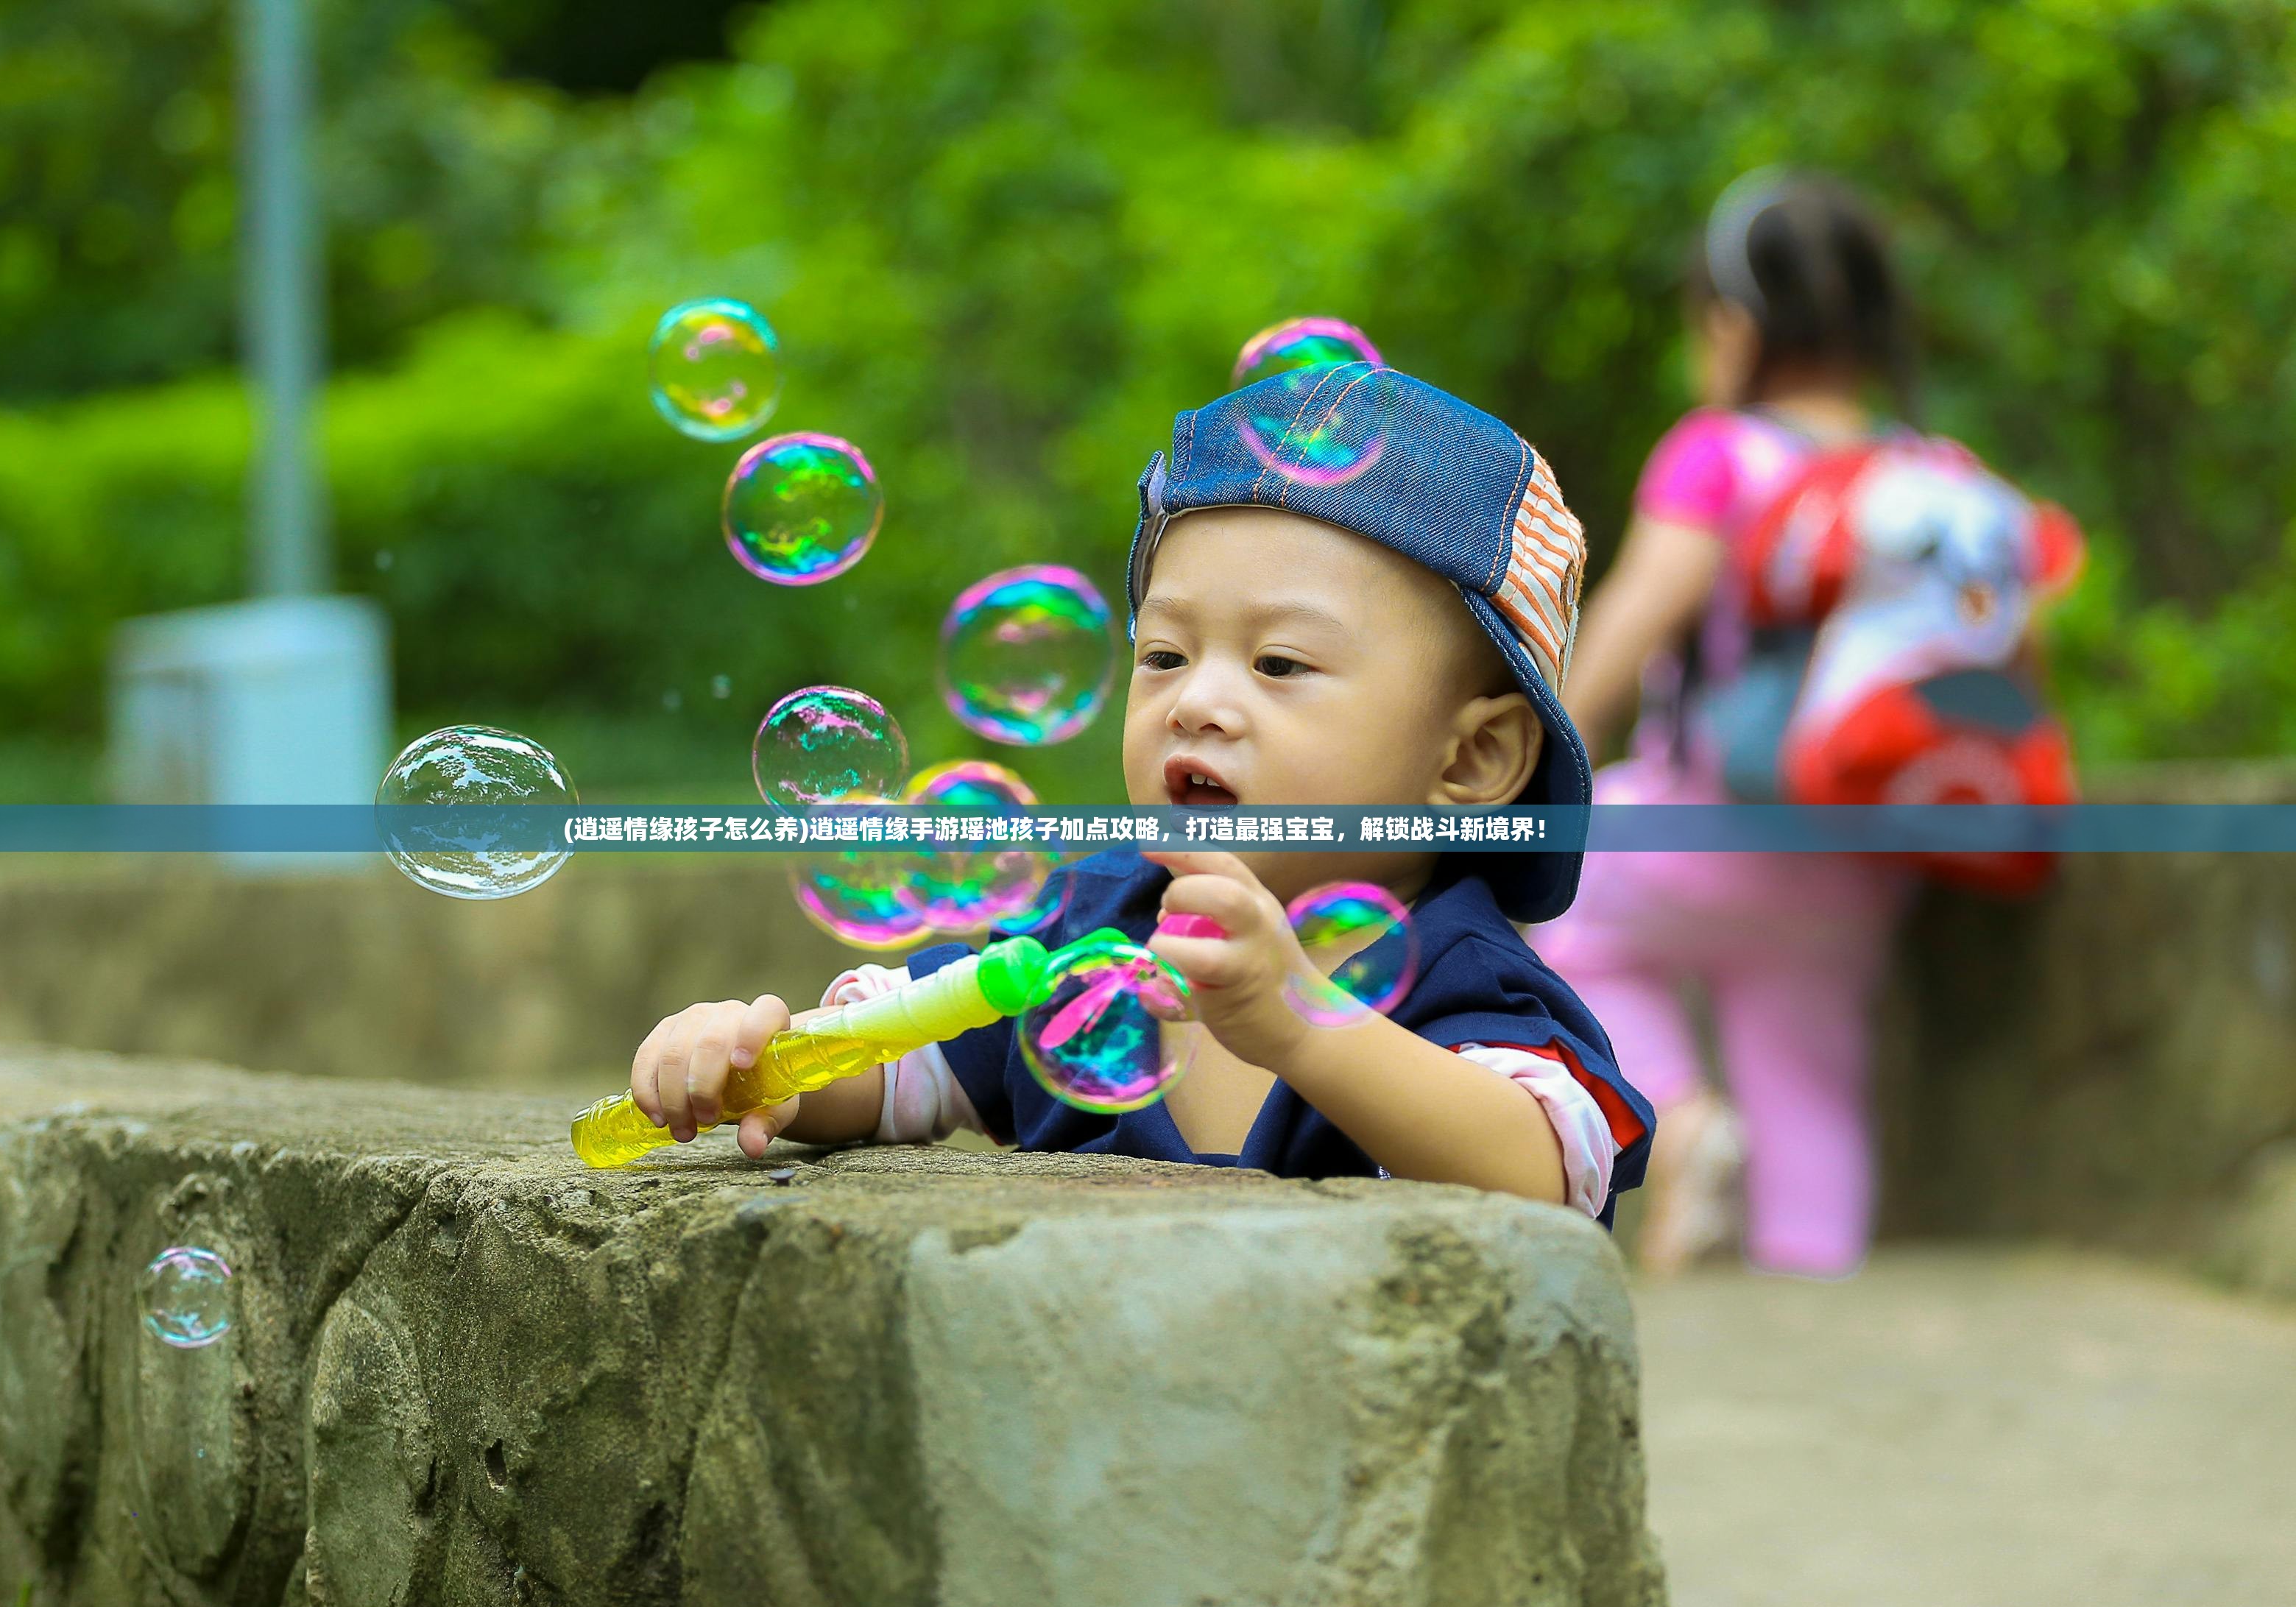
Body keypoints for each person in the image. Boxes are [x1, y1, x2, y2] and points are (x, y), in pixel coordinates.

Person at [625, 366, 1655, 1222]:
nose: (1197, 701)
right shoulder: (1084, 928)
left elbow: (1543, 1175)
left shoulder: (1457, 975)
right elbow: (901, 1071)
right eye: (1164, 653)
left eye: (1281, 663)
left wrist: (1298, 1020)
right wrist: (757, 1059)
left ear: (1470, 762)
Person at [1535, 170, 1916, 1276]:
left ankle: (1679, 1116)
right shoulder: (1927, 468)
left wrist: (1536, 742)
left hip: (1702, 835)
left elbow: (1632, 622)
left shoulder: (1721, 453)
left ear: (1735, 324)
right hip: (1860, 864)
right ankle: (1814, 1293)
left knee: (1560, 912)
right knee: (1810, 1080)